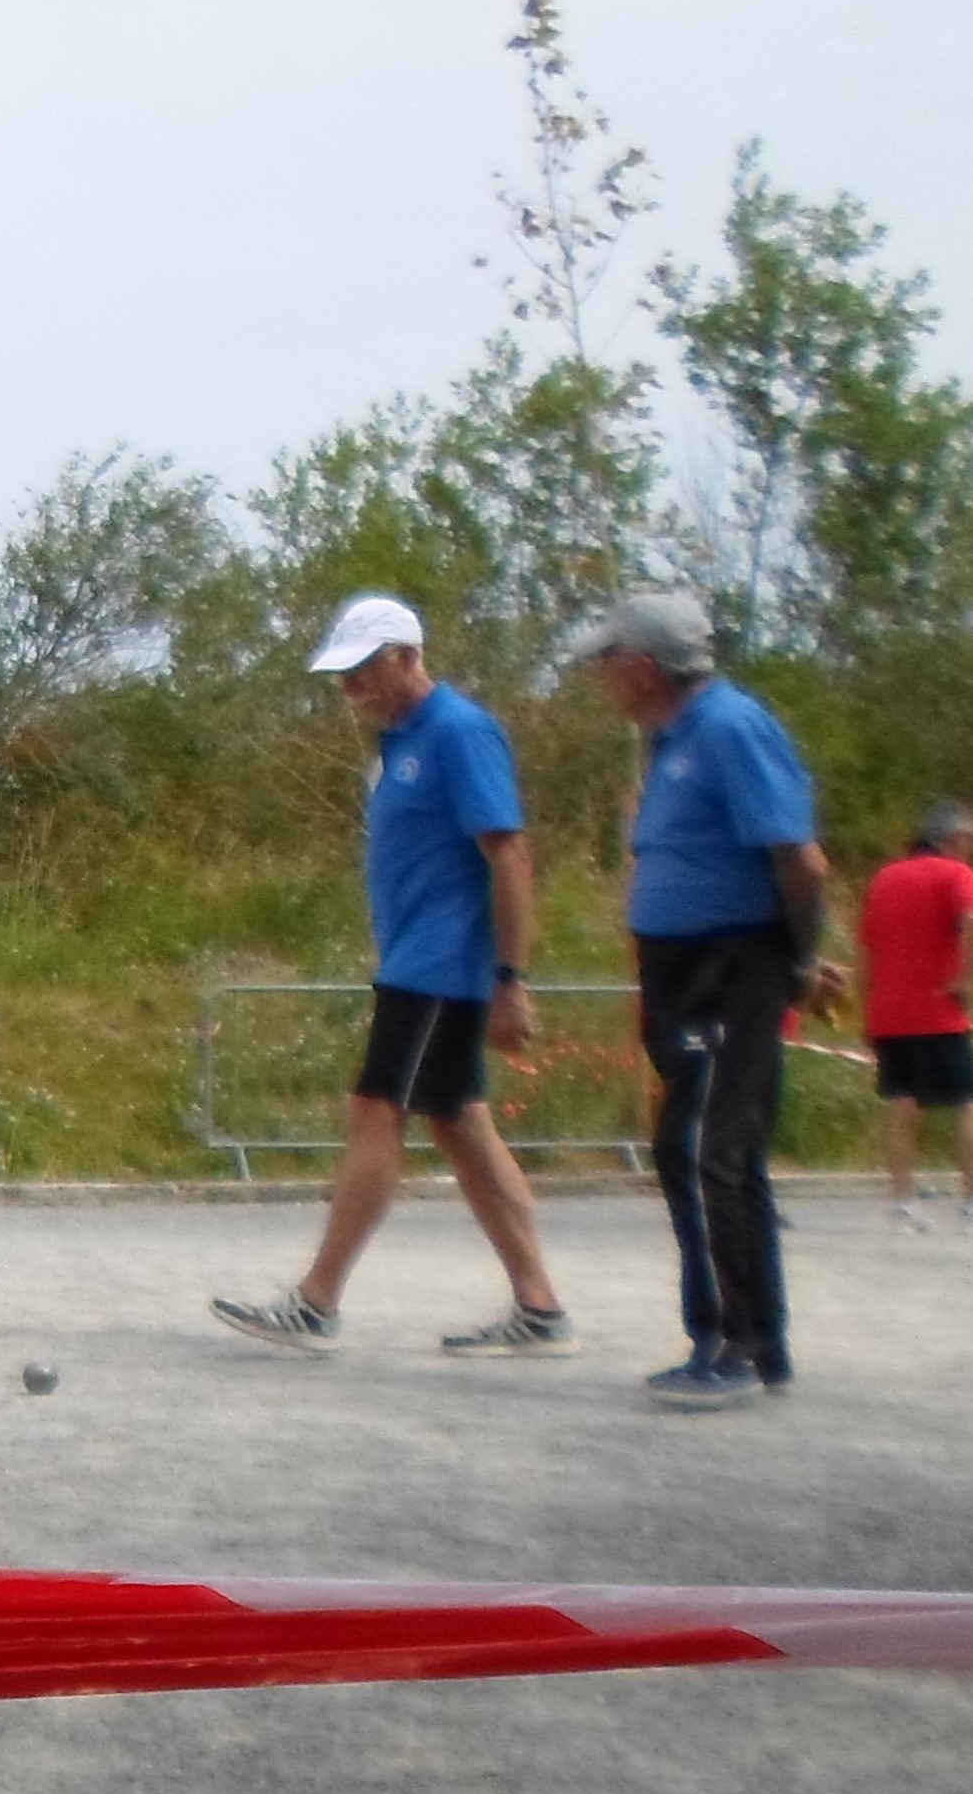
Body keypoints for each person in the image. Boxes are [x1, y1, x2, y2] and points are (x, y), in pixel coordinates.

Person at [210, 597, 574, 1359]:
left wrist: (511, 976)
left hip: (439, 966)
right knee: (461, 1124)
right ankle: (539, 1307)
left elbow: (508, 853)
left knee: (376, 1110)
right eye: (339, 676)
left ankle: (316, 1301)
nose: (349, 690)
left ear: (407, 656)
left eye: (361, 670)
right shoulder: (400, 743)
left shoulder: (458, 731)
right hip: (416, 959)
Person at [579, 589, 842, 1410]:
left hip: (733, 961)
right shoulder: (667, 739)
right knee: (684, 1148)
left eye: (606, 656)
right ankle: (732, 1336)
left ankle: (738, 1340)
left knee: (708, 1147)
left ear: (643, 665)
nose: (597, 673)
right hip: (682, 968)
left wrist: (796, 958)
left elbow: (801, 863)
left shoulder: (728, 727)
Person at [857, 798, 973, 1231]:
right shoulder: (957, 874)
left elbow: (865, 950)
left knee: (902, 1105)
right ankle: (970, 1201)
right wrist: (966, 981)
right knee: (965, 1105)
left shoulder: (885, 878)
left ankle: (903, 1204)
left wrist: (864, 1010)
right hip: (938, 1009)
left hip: (888, 1013)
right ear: (952, 838)